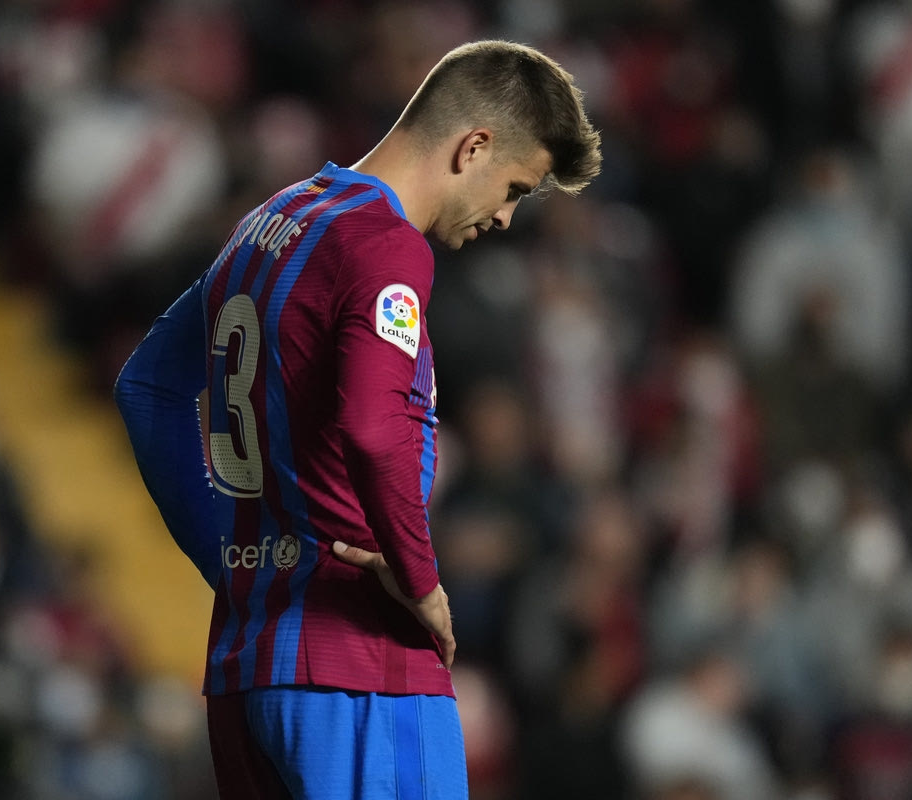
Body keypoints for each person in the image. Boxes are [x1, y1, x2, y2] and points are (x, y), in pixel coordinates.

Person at [114, 39, 601, 799]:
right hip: (361, 667)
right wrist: (420, 579)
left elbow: (147, 390)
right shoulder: (385, 247)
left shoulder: (271, 221)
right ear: (473, 146)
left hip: (248, 668)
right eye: (515, 187)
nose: (507, 216)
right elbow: (372, 428)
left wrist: (231, 564)